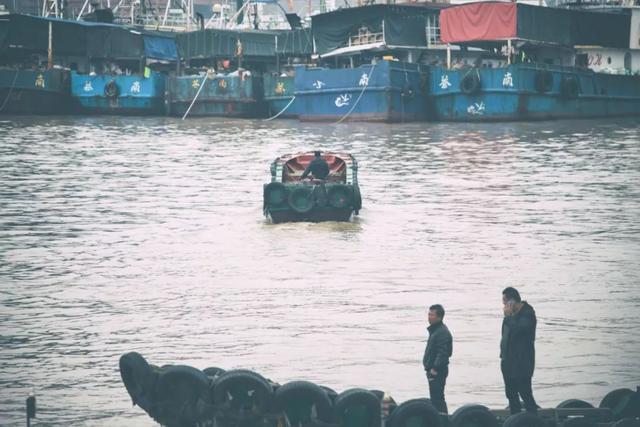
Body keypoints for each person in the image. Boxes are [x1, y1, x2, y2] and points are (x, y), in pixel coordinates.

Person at [501, 287, 538, 414]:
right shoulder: (510, 316)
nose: (503, 305)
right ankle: (515, 420)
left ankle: (534, 420)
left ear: (512, 301)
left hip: (522, 362)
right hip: (508, 361)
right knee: (511, 394)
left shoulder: (527, 313)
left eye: (505, 301)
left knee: (525, 393)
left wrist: (508, 317)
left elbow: (518, 330)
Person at [422, 304, 453, 414]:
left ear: (439, 317)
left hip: (437, 371)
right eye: (428, 314)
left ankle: (443, 421)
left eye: (432, 315)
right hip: (433, 371)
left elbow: (444, 353)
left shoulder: (442, 332)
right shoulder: (435, 330)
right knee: (435, 399)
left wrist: (434, 369)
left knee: (438, 399)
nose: (429, 317)